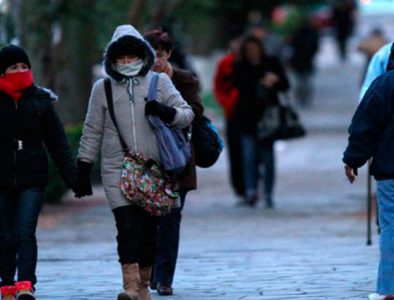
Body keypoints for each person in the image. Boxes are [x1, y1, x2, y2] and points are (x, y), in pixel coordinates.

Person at [76, 25, 194, 300]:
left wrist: (166, 111)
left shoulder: (159, 83)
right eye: (121, 59)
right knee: (126, 226)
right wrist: (83, 165)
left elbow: (187, 115)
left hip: (154, 171)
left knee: (149, 230)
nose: (127, 63)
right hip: (117, 169)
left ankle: (143, 285)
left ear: (143, 57)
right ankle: (129, 286)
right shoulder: (102, 88)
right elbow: (92, 129)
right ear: (112, 60)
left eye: (132, 58)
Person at [0, 45, 82, 300]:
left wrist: (74, 178)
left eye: (24, 67)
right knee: (5, 235)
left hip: (32, 177)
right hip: (1, 177)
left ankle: (25, 283)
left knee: (25, 231)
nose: (21, 71)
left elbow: (58, 143)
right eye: (14, 68)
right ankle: (6, 284)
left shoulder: (40, 100)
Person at [143, 29, 203, 296]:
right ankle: (152, 271)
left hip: (178, 160)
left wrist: (167, 112)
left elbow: (196, 113)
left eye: (160, 53)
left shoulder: (184, 79)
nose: (156, 59)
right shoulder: (137, 81)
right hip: (147, 160)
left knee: (170, 219)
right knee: (149, 221)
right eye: (151, 54)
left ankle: (164, 277)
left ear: (168, 53)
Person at [343, 67, 394, 300]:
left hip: (391, 169)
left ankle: (390, 288)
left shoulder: (384, 84)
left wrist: (354, 159)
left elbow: (364, 125)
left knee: (392, 227)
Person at [232, 35, 290, 208]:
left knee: (268, 157)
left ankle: (268, 192)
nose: (253, 52)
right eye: (249, 50)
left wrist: (275, 80)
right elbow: (238, 84)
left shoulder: (271, 62)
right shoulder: (240, 65)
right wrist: (260, 80)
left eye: (255, 48)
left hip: (268, 117)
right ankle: (251, 190)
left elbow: (285, 85)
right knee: (249, 156)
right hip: (247, 117)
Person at [213, 33, 245, 198]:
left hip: (249, 114)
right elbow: (218, 85)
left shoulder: (249, 62)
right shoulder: (225, 63)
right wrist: (225, 102)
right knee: (235, 151)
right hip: (231, 112)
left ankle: (252, 183)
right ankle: (239, 186)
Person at [288, 17, 319, 107]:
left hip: (298, 61)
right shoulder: (312, 34)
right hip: (308, 61)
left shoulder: (296, 33)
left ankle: (301, 98)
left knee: (300, 81)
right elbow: (315, 47)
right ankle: (305, 98)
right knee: (306, 81)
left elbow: (291, 46)